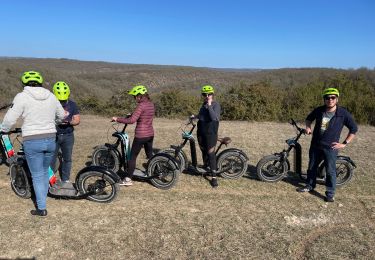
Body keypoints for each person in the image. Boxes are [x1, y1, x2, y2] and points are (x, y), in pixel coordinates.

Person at [0, 71, 65, 216]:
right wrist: (53, 123)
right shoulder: (51, 96)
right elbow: (61, 115)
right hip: (50, 139)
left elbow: (10, 119)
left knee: (37, 174)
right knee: (43, 171)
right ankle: (43, 194)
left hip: (32, 140)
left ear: (24, 83)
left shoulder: (22, 97)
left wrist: (3, 130)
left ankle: (41, 207)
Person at [297, 87, 358, 202]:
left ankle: (330, 193)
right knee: (312, 167)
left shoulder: (343, 113)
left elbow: (354, 129)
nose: (330, 100)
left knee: (330, 171)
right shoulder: (319, 110)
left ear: (337, 99)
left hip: (331, 147)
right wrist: (308, 127)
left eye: (333, 97)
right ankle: (310, 185)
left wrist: (344, 143)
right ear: (324, 99)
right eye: (327, 97)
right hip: (316, 144)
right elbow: (309, 119)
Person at [111, 85, 155, 186]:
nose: (134, 98)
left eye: (134, 96)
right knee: (150, 155)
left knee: (132, 157)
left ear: (139, 96)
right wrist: (133, 113)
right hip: (150, 134)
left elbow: (131, 121)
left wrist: (117, 119)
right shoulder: (151, 104)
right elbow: (144, 115)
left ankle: (128, 179)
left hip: (141, 135)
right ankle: (155, 171)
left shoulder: (141, 105)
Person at [51, 81, 80, 186]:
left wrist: (70, 122)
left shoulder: (72, 105)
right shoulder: (50, 104)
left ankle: (65, 179)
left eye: (63, 101)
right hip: (54, 135)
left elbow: (77, 120)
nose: (61, 102)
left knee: (67, 158)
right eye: (59, 100)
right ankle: (50, 179)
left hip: (68, 135)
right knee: (51, 158)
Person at [193, 85, 221, 188]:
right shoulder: (203, 104)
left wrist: (209, 105)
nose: (206, 96)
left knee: (211, 153)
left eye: (208, 94)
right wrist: (195, 116)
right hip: (201, 131)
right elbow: (202, 116)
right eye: (204, 94)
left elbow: (214, 117)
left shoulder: (215, 104)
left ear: (212, 94)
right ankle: (206, 167)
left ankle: (214, 177)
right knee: (203, 150)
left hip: (211, 133)